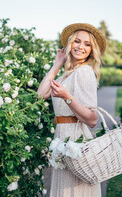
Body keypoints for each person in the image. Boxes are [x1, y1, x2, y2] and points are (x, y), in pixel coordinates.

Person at [37, 23, 106, 197]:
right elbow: (41, 94)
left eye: (87, 44)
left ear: (92, 50)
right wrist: (57, 64)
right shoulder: (66, 74)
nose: (81, 47)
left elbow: (92, 119)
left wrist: (67, 97)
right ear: (69, 44)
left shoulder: (84, 72)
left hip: (76, 143)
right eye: (77, 41)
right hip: (62, 141)